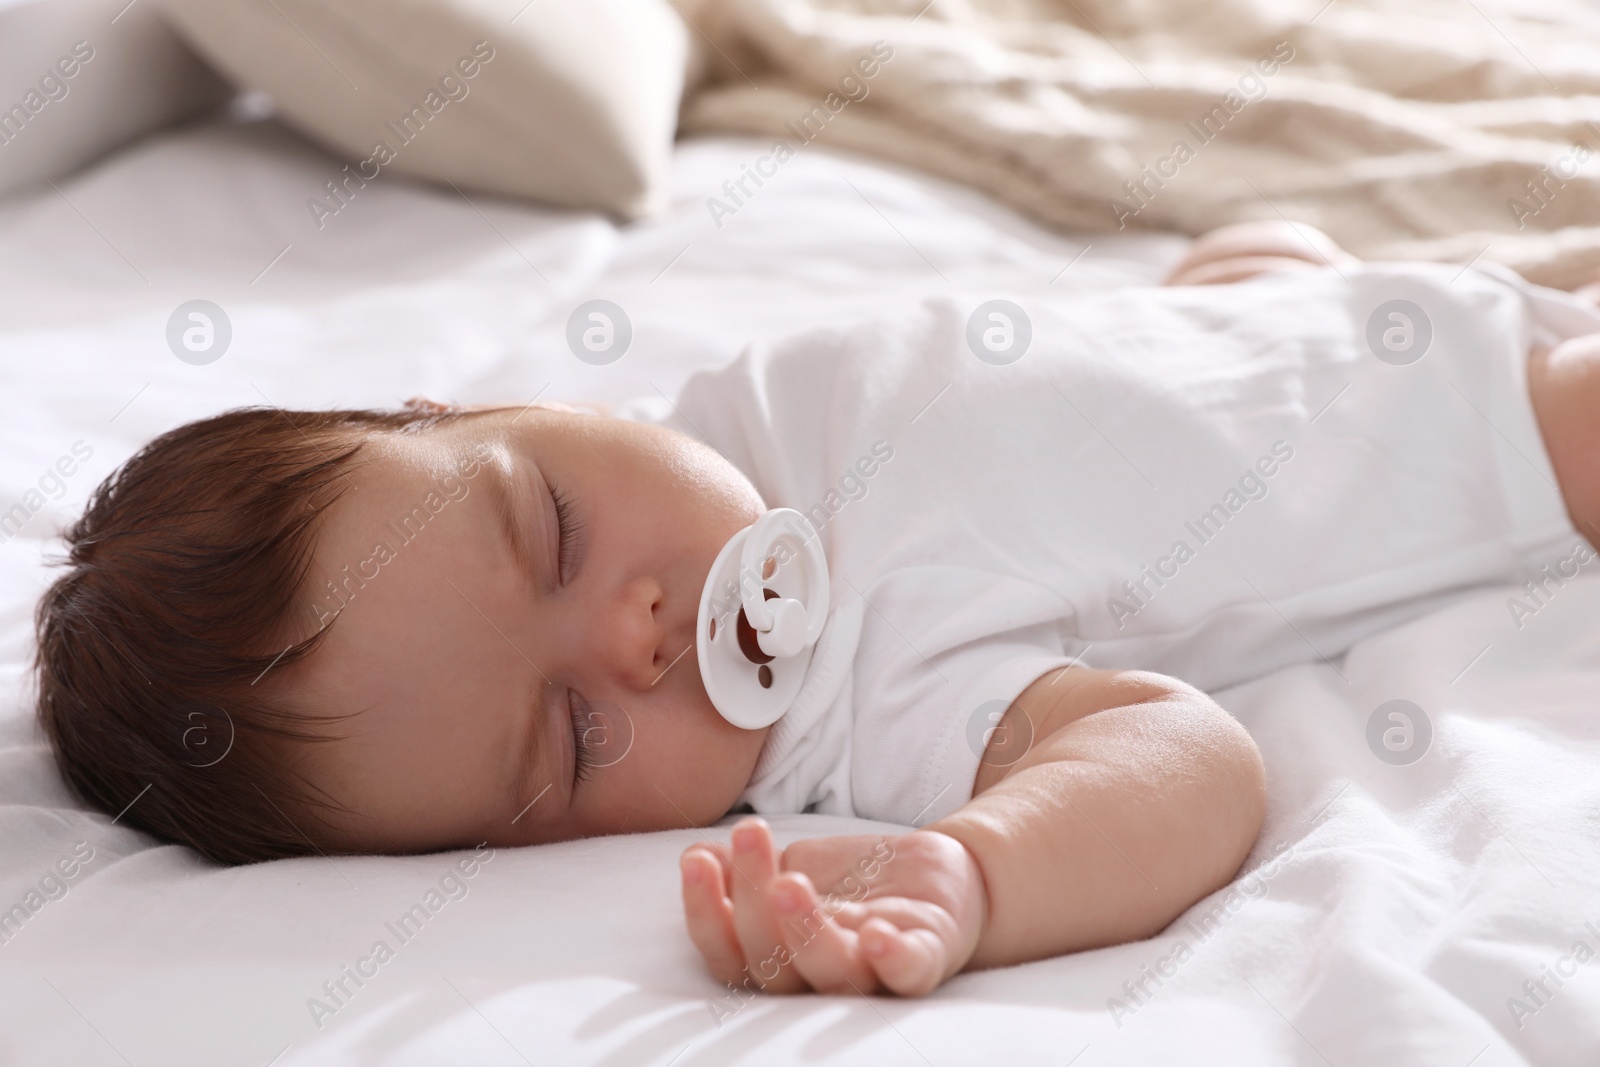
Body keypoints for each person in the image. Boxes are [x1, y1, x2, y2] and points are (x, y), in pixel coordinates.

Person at [33, 223, 1600, 998]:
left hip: (1311, 292)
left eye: (556, 527)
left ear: (478, 407)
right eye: (576, 735)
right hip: (1507, 435)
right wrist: (976, 872)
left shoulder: (723, 410)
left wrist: (1236, 305)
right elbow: (1185, 760)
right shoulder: (860, 699)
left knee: (1257, 253)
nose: (635, 636)